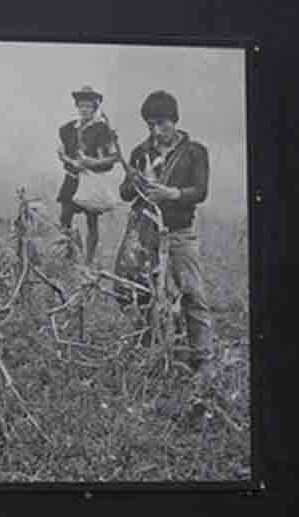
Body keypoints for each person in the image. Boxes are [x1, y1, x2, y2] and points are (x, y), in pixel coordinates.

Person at [118, 89, 213, 371]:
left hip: (179, 233)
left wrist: (171, 194)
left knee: (192, 293)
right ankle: (149, 350)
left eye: (162, 123)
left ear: (174, 120)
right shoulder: (140, 152)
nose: (157, 130)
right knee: (140, 290)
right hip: (145, 233)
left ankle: (203, 359)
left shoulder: (195, 151)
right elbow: (124, 194)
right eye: (151, 124)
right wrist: (136, 180)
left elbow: (200, 191)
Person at [56, 84, 118, 265]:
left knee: (92, 220)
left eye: (88, 106)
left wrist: (91, 163)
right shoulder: (68, 129)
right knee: (65, 216)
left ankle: (88, 262)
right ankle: (69, 254)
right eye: (81, 105)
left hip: (91, 180)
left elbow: (113, 158)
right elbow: (65, 153)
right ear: (77, 106)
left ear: (95, 107)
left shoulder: (102, 129)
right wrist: (64, 158)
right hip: (72, 178)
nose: (84, 109)